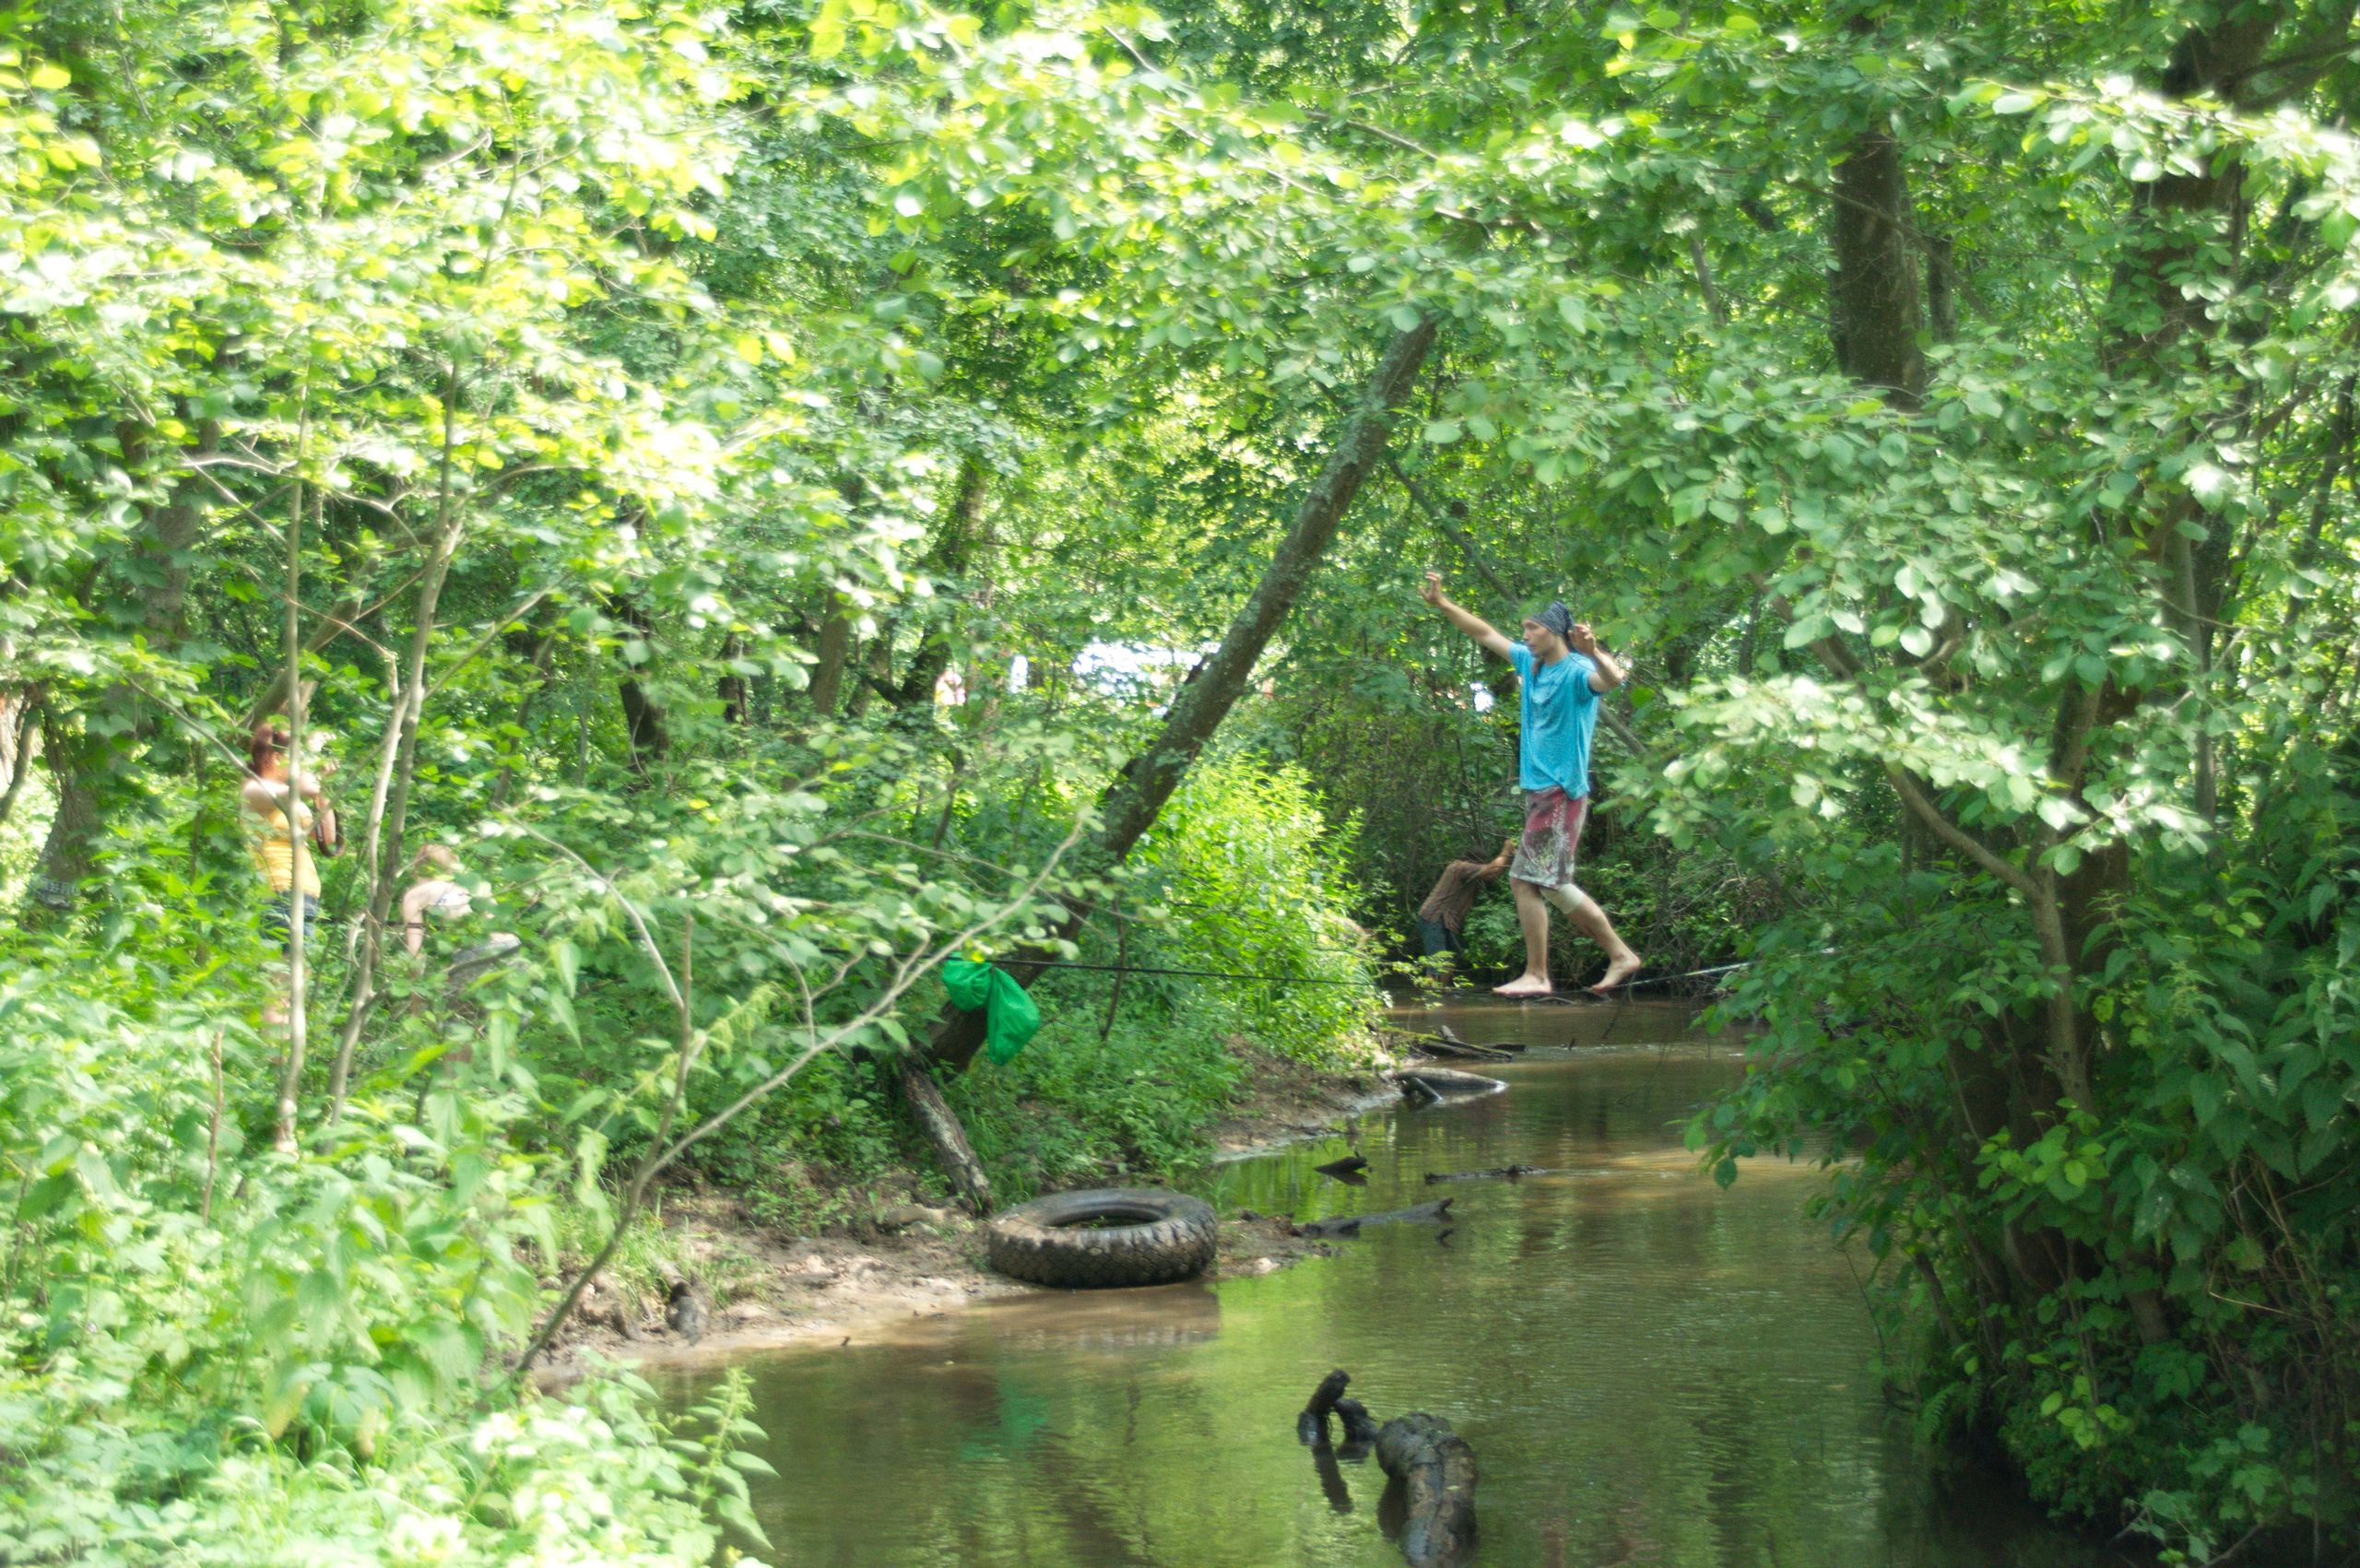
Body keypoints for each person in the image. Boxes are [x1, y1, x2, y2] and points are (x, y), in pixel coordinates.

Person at [1421, 572, 1643, 995]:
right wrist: (1444, 604)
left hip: (1561, 790)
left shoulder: (1579, 671)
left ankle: (1538, 975)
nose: (1524, 635)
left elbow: (1612, 681)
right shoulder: (1530, 662)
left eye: (1532, 628)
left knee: (1524, 880)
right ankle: (1620, 955)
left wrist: (1594, 653)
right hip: (1538, 792)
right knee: (1554, 887)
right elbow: (1485, 632)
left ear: (1556, 632)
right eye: (1523, 628)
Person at [240, 725, 327, 1024]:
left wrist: (322, 786)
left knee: (294, 983)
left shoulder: (291, 799)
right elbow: (301, 788)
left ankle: (284, 1058)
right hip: (280, 891)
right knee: (282, 983)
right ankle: (277, 1058)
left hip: (302, 894)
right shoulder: (254, 789)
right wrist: (312, 755)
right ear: (276, 758)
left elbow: (327, 837)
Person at [1414, 837, 1516, 981]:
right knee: (1436, 962)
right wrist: (1506, 850)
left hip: (1442, 919)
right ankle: (1431, 997)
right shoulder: (1460, 867)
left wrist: (1510, 857)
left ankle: (1440, 992)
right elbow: (1490, 870)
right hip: (1435, 917)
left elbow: (1494, 873)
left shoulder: (1468, 871)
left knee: (1453, 955)